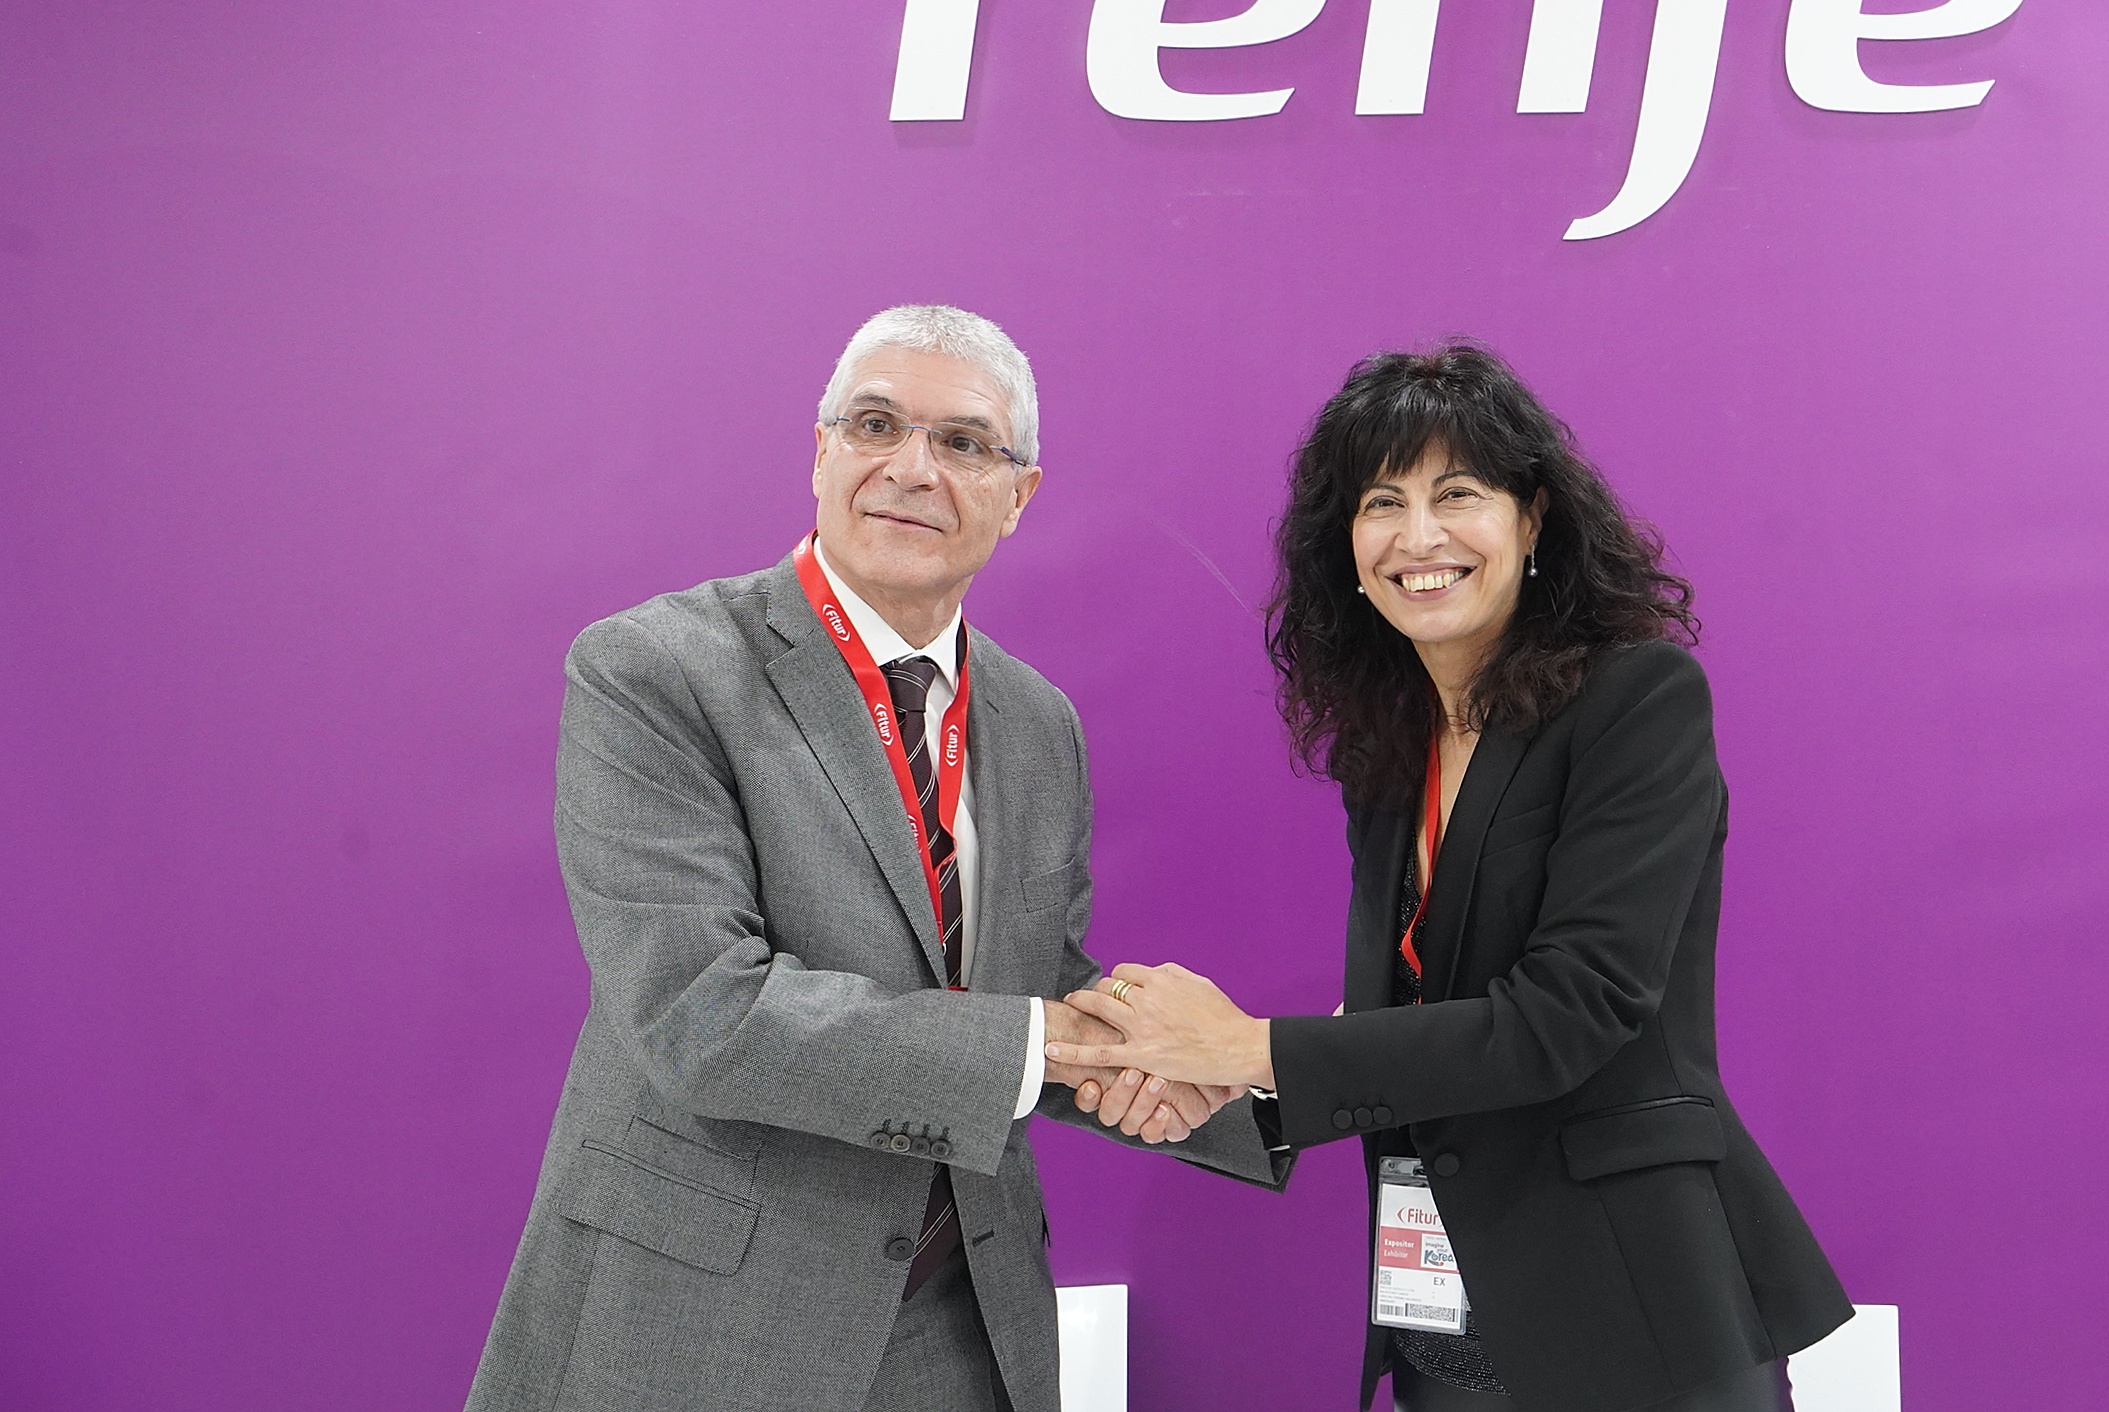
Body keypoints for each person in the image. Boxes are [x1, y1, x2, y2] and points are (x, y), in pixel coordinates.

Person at [466, 305, 1283, 1412]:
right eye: (876, 424)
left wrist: (1243, 1077)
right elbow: (704, 1015)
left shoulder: (1038, 721)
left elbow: (1030, 990)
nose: (911, 467)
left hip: (966, 1324)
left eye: (964, 442)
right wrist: (1060, 1040)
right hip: (703, 1325)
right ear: (820, 452)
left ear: (1019, 494)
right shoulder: (655, 669)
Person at [1047, 343, 1854, 1412]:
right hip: (1446, 1337)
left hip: (1637, 1315)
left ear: (1533, 518)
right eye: (1381, 502)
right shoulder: (1389, 753)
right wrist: (1207, 1077)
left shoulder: (1637, 700)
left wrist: (1243, 1045)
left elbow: (1571, 1012)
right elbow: (1409, 1022)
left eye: (1457, 493)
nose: (1418, 537)